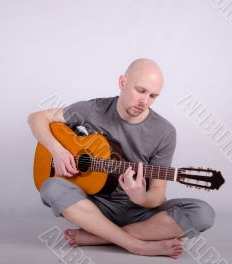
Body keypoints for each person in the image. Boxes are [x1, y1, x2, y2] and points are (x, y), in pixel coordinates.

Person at [27, 58, 215, 259]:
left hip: (139, 213)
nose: (145, 101)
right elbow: (36, 118)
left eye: (153, 96)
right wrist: (58, 150)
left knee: (203, 213)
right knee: (51, 187)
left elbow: (157, 195)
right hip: (94, 206)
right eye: (140, 91)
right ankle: (137, 245)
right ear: (123, 82)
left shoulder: (164, 132)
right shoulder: (92, 110)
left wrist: (140, 197)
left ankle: (98, 236)